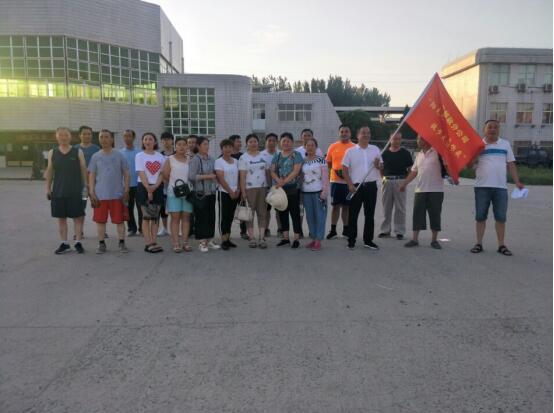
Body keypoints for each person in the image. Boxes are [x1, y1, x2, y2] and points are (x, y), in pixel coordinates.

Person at [470, 119, 524, 256]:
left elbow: (511, 164)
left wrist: (517, 181)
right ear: (484, 130)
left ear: (499, 130)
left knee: (501, 217)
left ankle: (501, 245)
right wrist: (476, 155)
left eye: (495, 127)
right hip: (482, 187)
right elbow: (470, 166)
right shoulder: (478, 145)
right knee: (480, 216)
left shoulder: (505, 144)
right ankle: (478, 243)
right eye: (489, 127)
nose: (492, 129)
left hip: (500, 188)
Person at [45, 127, 87, 254]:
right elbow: (50, 171)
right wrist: (48, 188)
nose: (63, 137)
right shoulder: (52, 152)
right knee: (61, 219)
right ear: (57, 137)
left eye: (66, 135)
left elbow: (83, 170)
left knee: (78, 218)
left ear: (70, 137)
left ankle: (78, 242)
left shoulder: (77, 151)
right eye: (61, 135)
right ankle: (64, 243)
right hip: (58, 191)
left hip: (75, 191)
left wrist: (86, 188)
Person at [88, 129, 130, 254]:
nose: (104, 139)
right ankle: (101, 244)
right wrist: (91, 192)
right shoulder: (95, 156)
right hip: (100, 195)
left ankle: (122, 243)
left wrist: (126, 190)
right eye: (101, 137)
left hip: (117, 194)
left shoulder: (119, 155)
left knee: (119, 220)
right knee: (100, 220)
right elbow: (91, 175)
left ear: (111, 139)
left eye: (106, 137)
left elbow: (126, 173)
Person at [399, 135, 445, 249]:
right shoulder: (419, 155)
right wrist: (404, 183)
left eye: (421, 138)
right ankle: (415, 239)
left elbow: (448, 166)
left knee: (435, 215)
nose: (418, 141)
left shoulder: (438, 152)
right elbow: (414, 172)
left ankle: (434, 240)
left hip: (436, 190)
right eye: (418, 139)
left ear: (427, 139)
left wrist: (454, 177)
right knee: (417, 215)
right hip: (420, 190)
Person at [342, 126, 382, 250]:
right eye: (363, 133)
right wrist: (349, 184)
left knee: (369, 215)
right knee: (353, 214)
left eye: (368, 133)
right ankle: (351, 240)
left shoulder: (375, 149)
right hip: (356, 187)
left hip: (371, 186)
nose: (366, 135)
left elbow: (381, 167)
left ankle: (368, 240)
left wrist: (378, 165)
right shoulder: (350, 151)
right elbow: (344, 169)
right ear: (358, 135)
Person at [378, 132, 413, 240]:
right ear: (390, 140)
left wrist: (405, 182)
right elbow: (381, 168)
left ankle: (399, 231)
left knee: (400, 208)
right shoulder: (384, 153)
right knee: (386, 207)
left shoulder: (405, 153)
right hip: (387, 181)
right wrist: (383, 179)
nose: (397, 141)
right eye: (394, 139)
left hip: (400, 181)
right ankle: (385, 230)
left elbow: (410, 169)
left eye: (399, 139)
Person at [271, 132, 303, 248]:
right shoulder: (277, 155)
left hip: (293, 188)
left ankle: (296, 239)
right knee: (282, 212)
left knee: (295, 214)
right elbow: (272, 171)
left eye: (288, 141)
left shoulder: (296, 155)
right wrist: (278, 181)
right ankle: (285, 238)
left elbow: (296, 171)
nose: (286, 143)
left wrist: (283, 181)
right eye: (283, 141)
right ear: (280, 143)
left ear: (292, 142)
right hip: (280, 189)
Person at [161, 137, 193, 253]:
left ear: (187, 147)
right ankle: (176, 243)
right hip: (173, 193)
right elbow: (165, 175)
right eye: (179, 144)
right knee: (175, 218)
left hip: (188, 193)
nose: (181, 147)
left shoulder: (190, 159)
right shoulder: (170, 159)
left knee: (186, 218)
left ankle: (185, 242)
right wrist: (175, 186)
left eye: (184, 144)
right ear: (175, 146)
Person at [135, 132, 166, 253]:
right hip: (143, 187)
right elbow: (141, 172)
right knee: (146, 217)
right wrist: (148, 188)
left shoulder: (160, 156)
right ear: (143, 142)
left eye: (150, 139)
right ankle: (148, 243)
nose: (148, 141)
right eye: (145, 139)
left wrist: (155, 186)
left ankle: (154, 241)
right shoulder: (139, 156)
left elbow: (162, 173)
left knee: (155, 217)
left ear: (155, 142)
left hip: (157, 187)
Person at [189, 136, 220, 252]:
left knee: (211, 216)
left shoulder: (211, 159)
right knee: (201, 217)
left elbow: (215, 173)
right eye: (204, 144)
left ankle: (210, 239)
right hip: (200, 193)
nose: (207, 146)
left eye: (208, 144)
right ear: (198, 146)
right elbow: (191, 177)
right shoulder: (195, 159)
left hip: (211, 192)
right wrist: (207, 176)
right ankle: (202, 242)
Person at [239, 134, 270, 248]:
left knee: (262, 213)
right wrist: (243, 192)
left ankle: (262, 237)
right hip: (249, 189)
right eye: (250, 142)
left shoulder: (264, 156)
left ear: (258, 143)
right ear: (247, 144)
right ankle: (252, 238)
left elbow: (267, 173)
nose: (253, 143)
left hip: (263, 188)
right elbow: (242, 176)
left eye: (255, 141)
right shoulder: (243, 157)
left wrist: (269, 188)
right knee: (249, 214)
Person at [325, 125, 355, 239]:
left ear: (350, 133)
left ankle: (346, 230)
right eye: (342, 131)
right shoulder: (333, 146)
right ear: (339, 133)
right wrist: (335, 172)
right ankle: (333, 230)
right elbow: (329, 163)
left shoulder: (354, 147)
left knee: (346, 207)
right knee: (335, 206)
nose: (344, 133)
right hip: (335, 182)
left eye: (346, 131)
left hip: (349, 183)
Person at [301, 138, 329, 251]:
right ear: (305, 147)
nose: (310, 147)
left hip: (318, 192)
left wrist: (324, 191)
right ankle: (313, 238)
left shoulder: (321, 160)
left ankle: (318, 240)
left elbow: (325, 177)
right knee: (310, 217)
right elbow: (301, 177)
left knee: (320, 216)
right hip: (306, 192)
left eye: (312, 145)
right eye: (308, 145)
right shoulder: (303, 161)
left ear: (316, 147)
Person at [73, 125, 100, 239]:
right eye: (84, 134)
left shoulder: (96, 149)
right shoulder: (74, 149)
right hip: (82, 185)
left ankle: (101, 231)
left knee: (98, 207)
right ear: (80, 135)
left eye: (89, 134)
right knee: (81, 208)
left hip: (95, 184)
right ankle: (79, 232)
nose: (87, 136)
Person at [215, 139, 240, 250]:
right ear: (222, 149)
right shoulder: (219, 161)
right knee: (224, 217)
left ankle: (228, 239)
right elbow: (220, 179)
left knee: (230, 216)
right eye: (225, 147)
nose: (228, 149)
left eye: (230, 147)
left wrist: (238, 190)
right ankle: (223, 240)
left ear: (232, 148)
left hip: (235, 193)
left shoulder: (236, 161)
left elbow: (239, 176)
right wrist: (230, 191)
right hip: (224, 192)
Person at [120, 129, 142, 236]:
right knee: (128, 208)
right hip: (126, 186)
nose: (127, 138)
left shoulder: (140, 152)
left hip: (139, 185)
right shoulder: (120, 153)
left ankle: (142, 228)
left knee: (141, 208)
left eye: (129, 136)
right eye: (125, 136)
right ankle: (132, 228)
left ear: (133, 138)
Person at [260, 132, 282, 237]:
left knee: (279, 209)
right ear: (266, 142)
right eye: (269, 140)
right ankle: (266, 229)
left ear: (277, 142)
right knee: (266, 210)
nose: (271, 143)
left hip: (278, 187)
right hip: (265, 187)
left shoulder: (281, 154)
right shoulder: (261, 155)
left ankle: (280, 229)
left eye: (274, 141)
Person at [229, 134, 247, 239]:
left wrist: (241, 189)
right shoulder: (225, 157)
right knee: (229, 212)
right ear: (232, 143)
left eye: (240, 141)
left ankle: (243, 232)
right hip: (229, 190)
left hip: (242, 189)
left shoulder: (243, 156)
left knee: (243, 211)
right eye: (238, 141)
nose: (240, 143)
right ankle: (227, 233)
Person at [158, 131, 175, 237]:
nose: (166, 142)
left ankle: (175, 228)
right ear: (161, 142)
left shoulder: (177, 154)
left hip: (174, 185)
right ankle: (164, 228)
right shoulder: (159, 155)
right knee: (163, 208)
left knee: (174, 208)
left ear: (172, 141)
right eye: (164, 140)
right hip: (162, 185)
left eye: (168, 139)